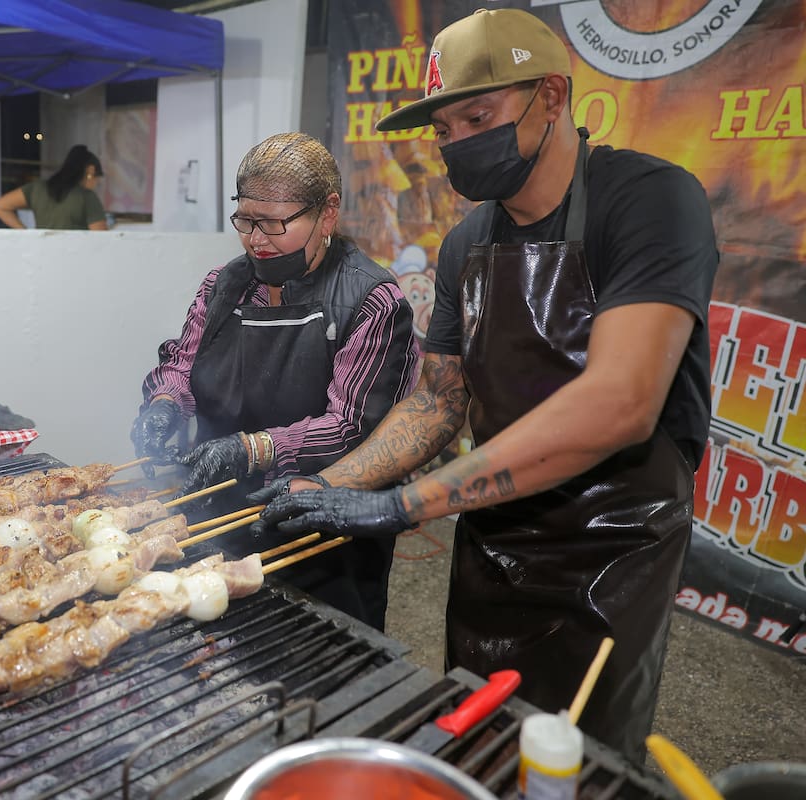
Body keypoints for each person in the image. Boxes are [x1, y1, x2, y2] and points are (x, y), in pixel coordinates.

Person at [252, 8, 719, 765]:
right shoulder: (470, 241)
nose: (458, 141)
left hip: (611, 550)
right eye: (443, 128)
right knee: (477, 739)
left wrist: (404, 503)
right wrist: (322, 487)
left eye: (479, 113)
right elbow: (438, 401)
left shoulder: (650, 201)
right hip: (492, 536)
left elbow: (621, 403)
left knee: (574, 759)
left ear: (554, 97)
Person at [130, 132, 421, 630]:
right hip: (218, 515)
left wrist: (251, 449)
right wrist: (164, 404)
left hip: (321, 524)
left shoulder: (371, 301)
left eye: (273, 223)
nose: (255, 239)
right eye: (245, 220)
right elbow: (184, 363)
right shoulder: (224, 286)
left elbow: (351, 424)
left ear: (327, 213)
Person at [0, 145, 108, 230]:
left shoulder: (37, 188)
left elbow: (0, 206)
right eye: (97, 178)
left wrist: (25, 233)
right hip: (75, 258)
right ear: (90, 171)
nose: (96, 184)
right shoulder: (87, 197)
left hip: (43, 254)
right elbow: (101, 237)